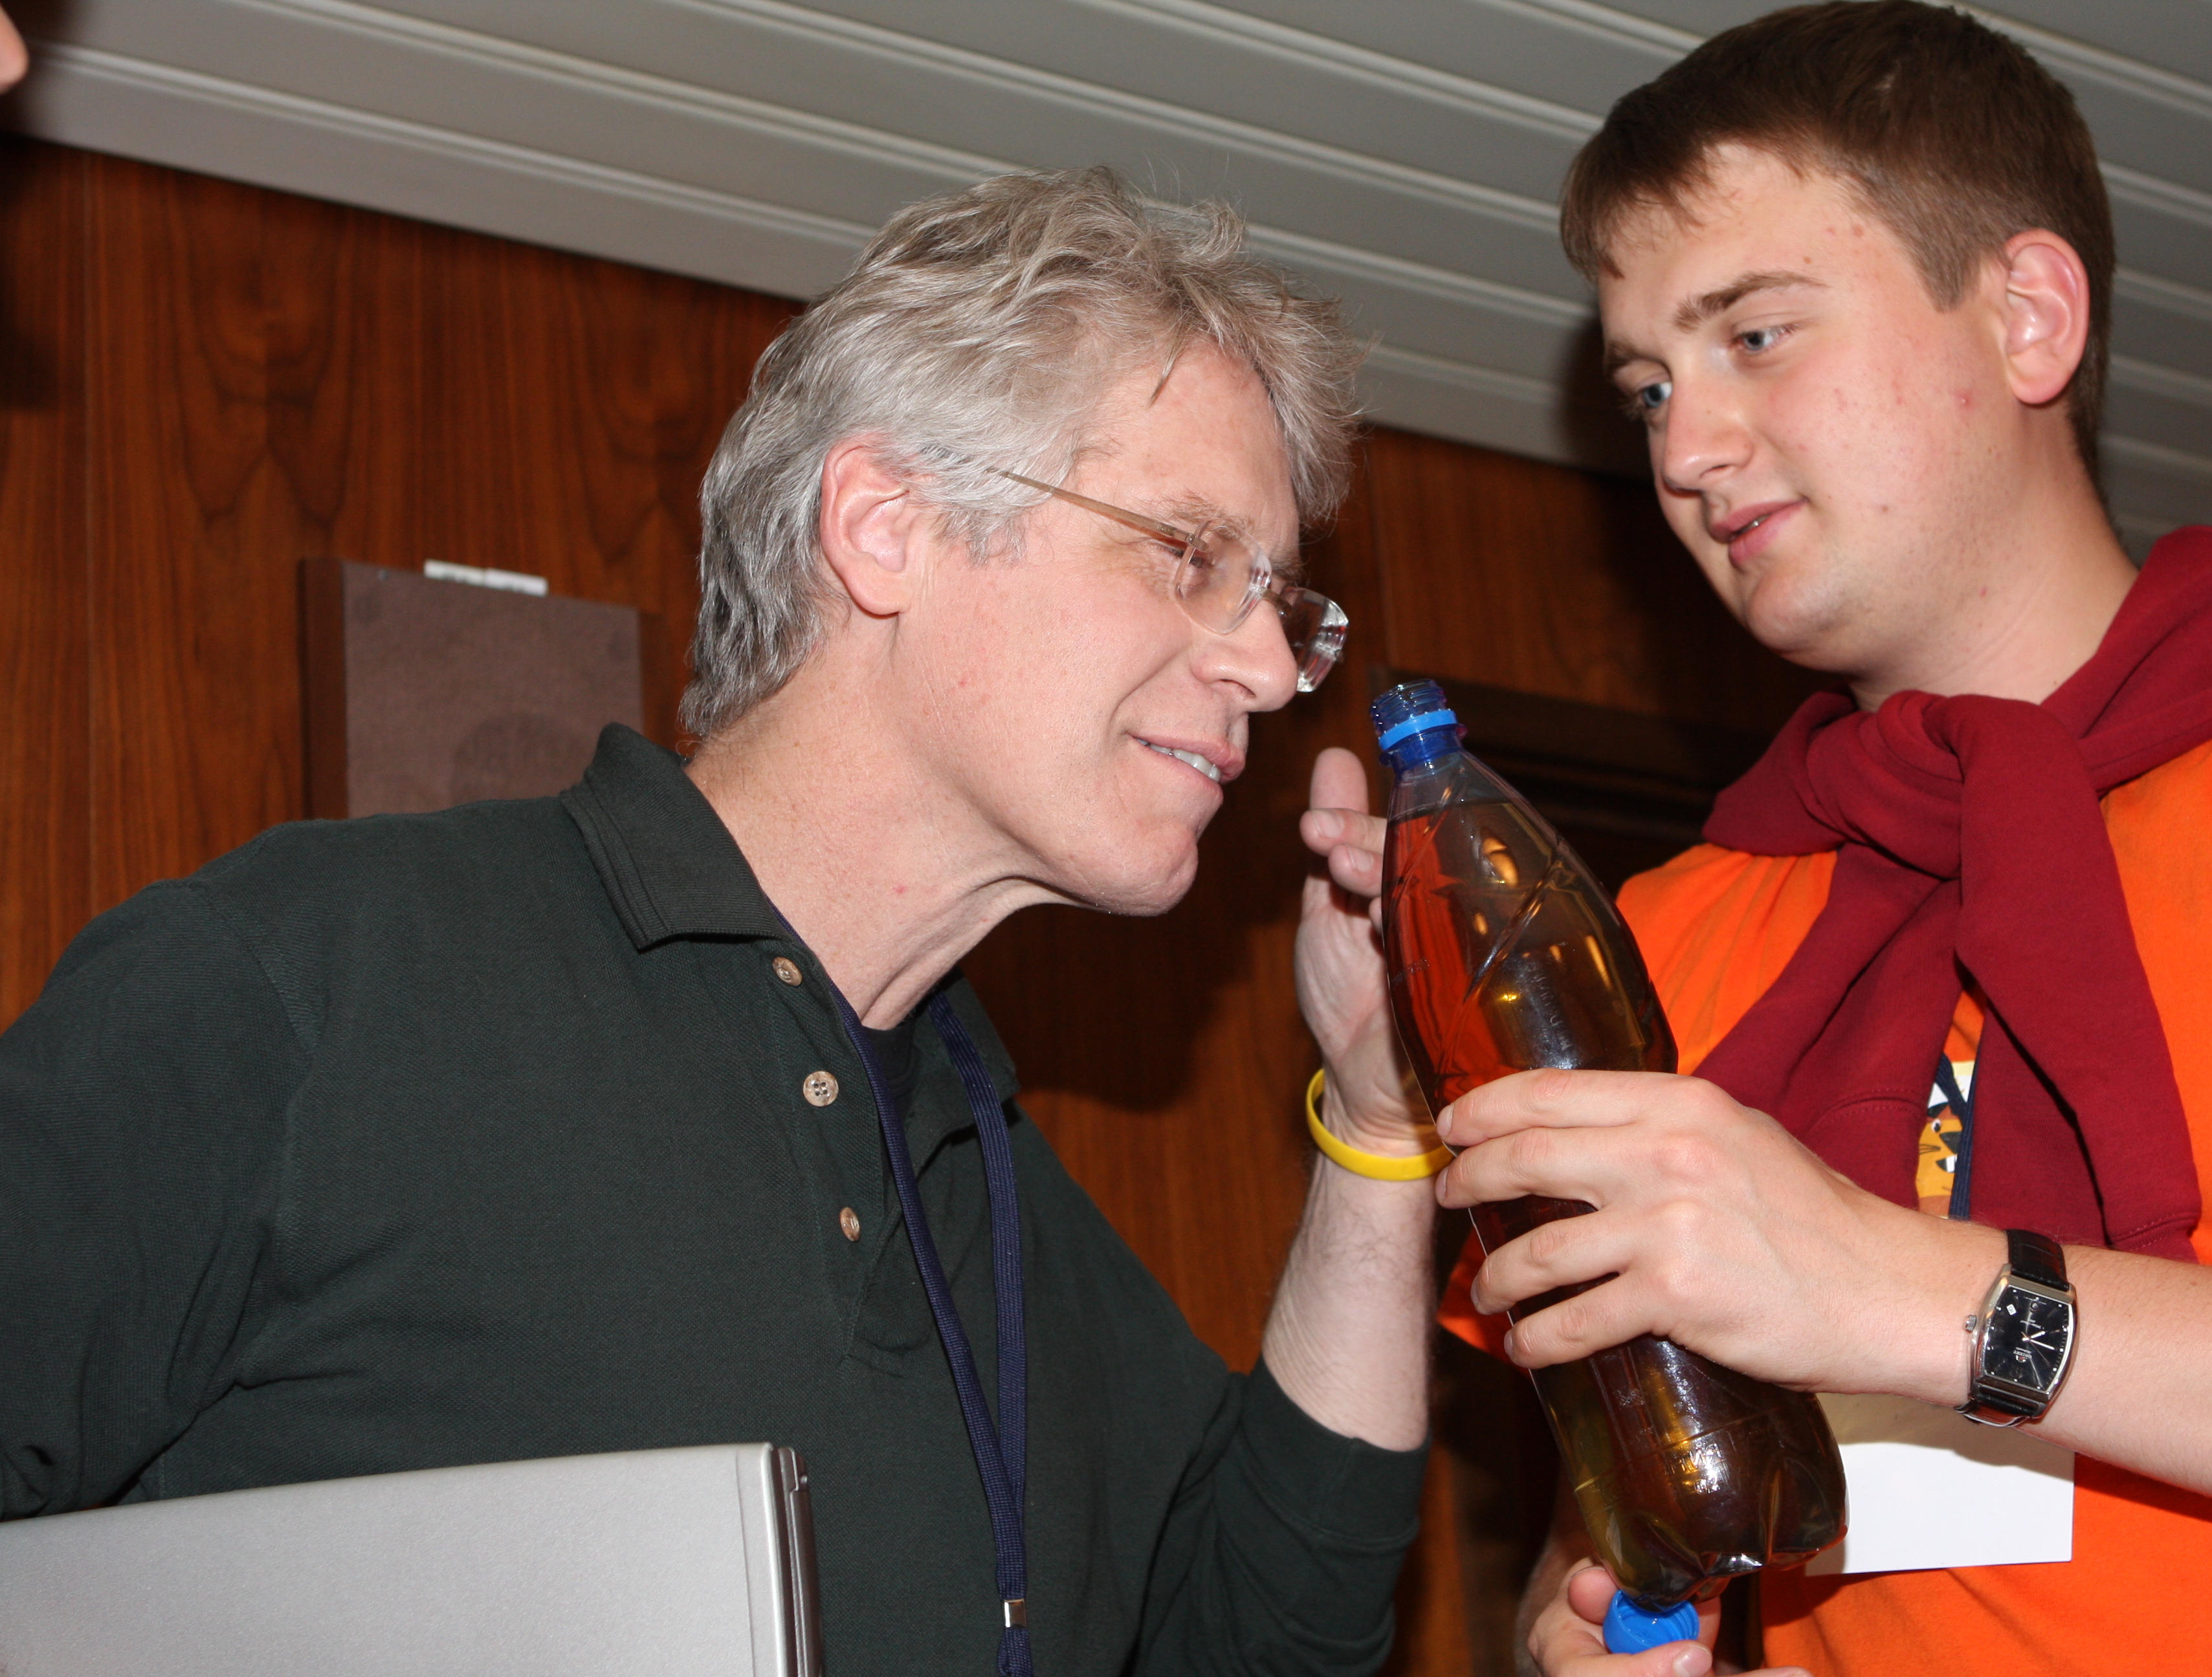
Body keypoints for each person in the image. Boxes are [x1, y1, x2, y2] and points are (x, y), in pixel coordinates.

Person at [0, 168, 1444, 1676]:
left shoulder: (1000, 1195)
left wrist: (1377, 1126)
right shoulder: (306, 981)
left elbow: (1259, 1643)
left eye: (1282, 605)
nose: (1269, 669)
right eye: (1189, 556)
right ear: (886, 529)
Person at [1304, 5, 2212, 1674]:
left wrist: (1921, 1295)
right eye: (1648, 389)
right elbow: (1631, 1510)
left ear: (2028, 319)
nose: (1684, 450)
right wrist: (1576, 1635)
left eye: (1755, 335)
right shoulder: (1669, 926)